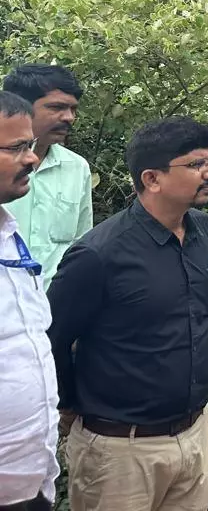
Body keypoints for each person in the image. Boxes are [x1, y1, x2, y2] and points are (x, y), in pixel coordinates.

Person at [47, 117, 208, 511]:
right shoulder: (98, 255)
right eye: (196, 165)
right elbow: (52, 338)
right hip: (120, 452)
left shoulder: (203, 230)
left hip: (196, 434)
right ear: (152, 178)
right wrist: (72, 405)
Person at [0, 92, 58, 511]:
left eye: (30, 146)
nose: (32, 158)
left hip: (31, 483)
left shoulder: (10, 234)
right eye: (17, 148)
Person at [2, 65, 94, 285]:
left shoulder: (77, 167)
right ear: (21, 106)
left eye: (73, 109)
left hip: (57, 305)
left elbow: (81, 244)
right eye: (57, 107)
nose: (69, 117)